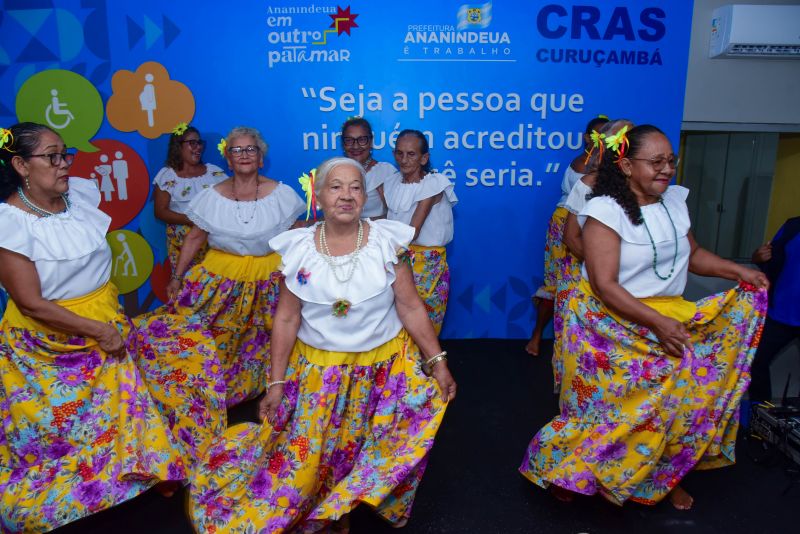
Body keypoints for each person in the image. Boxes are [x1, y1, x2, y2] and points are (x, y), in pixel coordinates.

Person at [188, 157, 456, 533]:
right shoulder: (297, 248)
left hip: (385, 372)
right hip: (320, 375)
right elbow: (285, 318)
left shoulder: (388, 242)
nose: (346, 196)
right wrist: (276, 383)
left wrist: (438, 361)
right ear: (318, 194)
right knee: (320, 451)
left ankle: (344, 505)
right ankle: (330, 506)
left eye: (355, 187)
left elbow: (410, 306)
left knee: (371, 443)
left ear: (365, 195)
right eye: (336, 187)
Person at [519, 124, 768, 510]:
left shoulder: (674, 203)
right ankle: (574, 470)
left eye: (671, 160)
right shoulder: (604, 209)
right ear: (626, 165)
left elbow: (695, 255)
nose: (666, 168)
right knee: (608, 410)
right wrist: (656, 323)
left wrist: (737, 272)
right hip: (611, 322)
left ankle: (661, 477)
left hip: (667, 313)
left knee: (674, 405)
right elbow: (605, 284)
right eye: (656, 162)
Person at [0, 123, 186, 531]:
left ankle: (140, 470)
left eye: (65, 154)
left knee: (122, 402)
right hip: (49, 342)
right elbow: (31, 303)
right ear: (20, 164)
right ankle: (70, 493)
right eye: (52, 156)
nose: (65, 164)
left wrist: (107, 321)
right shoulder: (10, 224)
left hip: (104, 317)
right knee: (61, 424)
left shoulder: (79, 197)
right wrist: (98, 331)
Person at [135, 126, 305, 465]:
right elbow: (196, 237)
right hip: (220, 278)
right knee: (212, 337)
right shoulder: (211, 195)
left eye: (250, 150)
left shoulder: (283, 194)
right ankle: (213, 396)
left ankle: (267, 393)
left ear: (261, 156)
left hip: (268, 278)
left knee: (268, 337)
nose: (244, 155)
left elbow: (295, 235)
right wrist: (178, 277)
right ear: (228, 157)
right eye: (237, 150)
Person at [552, 119, 634, 390]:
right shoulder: (588, 184)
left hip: (625, 283)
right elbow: (571, 237)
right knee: (581, 342)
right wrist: (602, 268)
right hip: (585, 278)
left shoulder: (645, 190)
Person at [526, 116, 610, 356]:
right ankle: (540, 338)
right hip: (568, 225)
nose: (602, 141)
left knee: (582, 285)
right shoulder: (585, 165)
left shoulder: (606, 165)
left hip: (591, 224)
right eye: (597, 136)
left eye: (607, 136)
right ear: (587, 138)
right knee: (561, 284)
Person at [383, 129, 457, 335]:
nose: (404, 159)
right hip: (397, 258)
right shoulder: (390, 183)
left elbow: (412, 231)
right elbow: (387, 218)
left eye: (411, 154)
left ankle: (431, 364)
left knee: (424, 320)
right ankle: (406, 367)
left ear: (424, 158)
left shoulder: (434, 184)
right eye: (399, 153)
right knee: (397, 320)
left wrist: (378, 233)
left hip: (427, 264)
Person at [152, 123, 226, 273]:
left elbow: (230, 201)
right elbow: (160, 211)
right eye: (192, 143)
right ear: (178, 146)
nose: (198, 147)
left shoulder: (213, 173)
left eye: (199, 143)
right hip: (181, 244)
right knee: (186, 288)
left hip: (213, 242)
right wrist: (193, 220)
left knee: (213, 285)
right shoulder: (167, 176)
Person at [748, 216, 800, 402]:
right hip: (779, 315)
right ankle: (760, 417)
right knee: (754, 361)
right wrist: (758, 256)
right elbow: (767, 258)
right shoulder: (793, 226)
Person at [341, 117, 395, 218]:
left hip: (378, 232)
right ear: (343, 144)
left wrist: (359, 227)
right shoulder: (335, 173)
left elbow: (396, 216)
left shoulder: (385, 172)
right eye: (349, 140)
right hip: (342, 232)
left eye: (362, 140)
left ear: (371, 142)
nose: (356, 146)